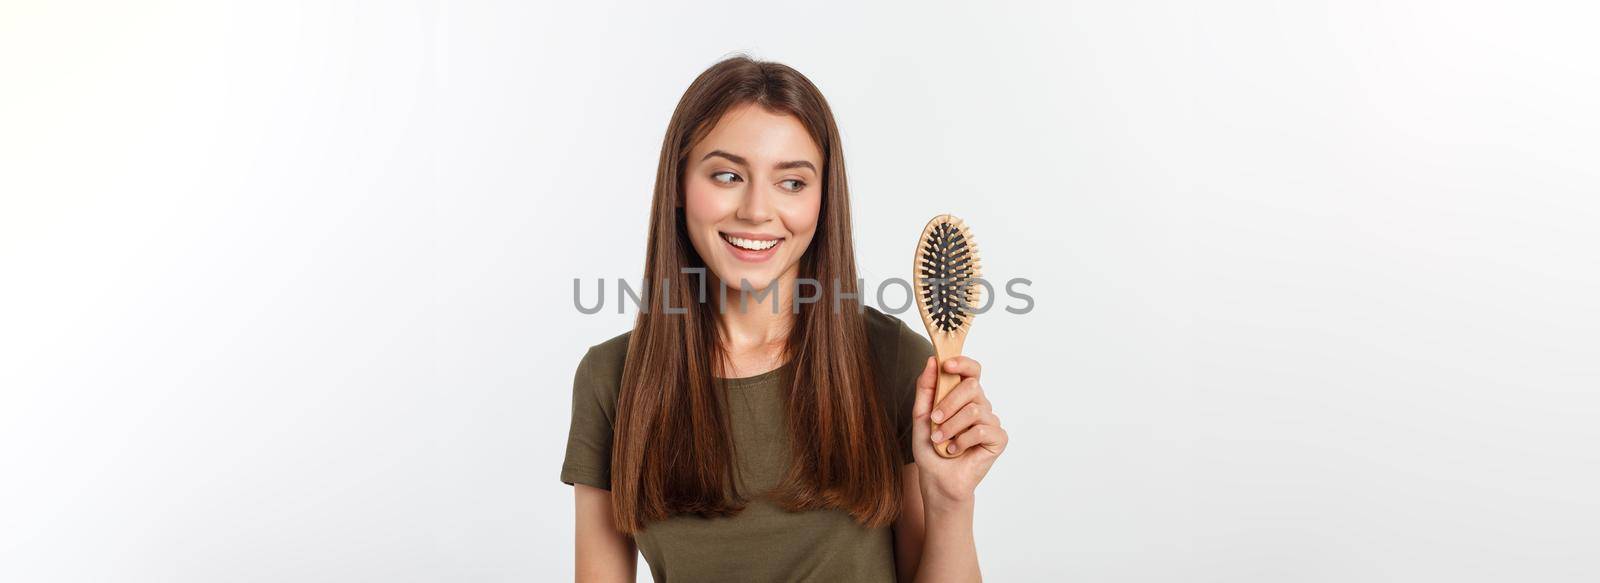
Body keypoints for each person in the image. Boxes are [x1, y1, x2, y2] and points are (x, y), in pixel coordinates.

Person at [560, 54, 1008, 582]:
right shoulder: (611, 378)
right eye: (727, 175)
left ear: (822, 201)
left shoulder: (891, 361)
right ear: (679, 188)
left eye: (791, 182)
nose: (756, 210)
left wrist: (951, 502)